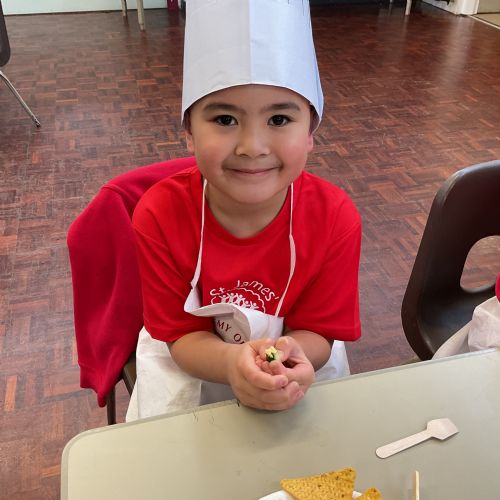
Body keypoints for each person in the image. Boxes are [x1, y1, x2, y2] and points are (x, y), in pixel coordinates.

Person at [126, 0, 362, 420]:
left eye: (279, 120)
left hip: (294, 374)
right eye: (224, 119)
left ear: (311, 130)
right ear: (189, 132)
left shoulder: (335, 219)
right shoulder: (159, 215)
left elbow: (318, 333)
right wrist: (235, 364)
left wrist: (287, 358)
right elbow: (181, 337)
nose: (252, 147)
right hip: (193, 371)